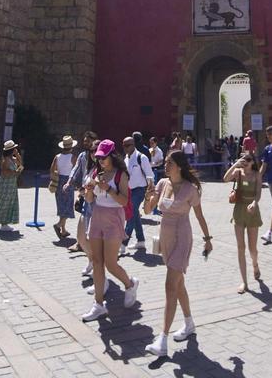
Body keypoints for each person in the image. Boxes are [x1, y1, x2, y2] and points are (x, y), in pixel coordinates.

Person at [143, 150, 212, 358]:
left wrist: (208, 239)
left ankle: (163, 339)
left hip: (182, 236)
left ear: (179, 166)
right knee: (178, 284)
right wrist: (148, 197)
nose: (165, 165)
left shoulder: (191, 189)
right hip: (166, 237)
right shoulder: (162, 183)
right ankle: (189, 323)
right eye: (165, 162)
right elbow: (147, 210)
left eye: (169, 163)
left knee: (170, 285)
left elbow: (199, 216)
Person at [81, 140, 140, 322]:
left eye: (103, 157)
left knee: (110, 263)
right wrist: (88, 190)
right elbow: (90, 199)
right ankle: (98, 304)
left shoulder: (121, 174)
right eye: (98, 157)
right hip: (97, 215)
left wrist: (108, 188)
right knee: (97, 261)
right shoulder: (96, 173)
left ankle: (130, 284)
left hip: (114, 217)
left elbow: (123, 201)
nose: (100, 161)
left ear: (112, 156)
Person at [225, 151, 264, 292]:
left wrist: (255, 203)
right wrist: (235, 164)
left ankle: (255, 264)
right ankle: (244, 282)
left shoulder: (257, 174)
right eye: (243, 159)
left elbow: (258, 193)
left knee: (252, 248)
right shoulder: (238, 172)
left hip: (252, 211)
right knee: (240, 247)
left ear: (253, 162)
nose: (245, 162)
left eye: (248, 159)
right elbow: (225, 178)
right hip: (239, 210)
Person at [121, 136, 155, 255]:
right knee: (134, 214)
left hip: (140, 190)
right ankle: (141, 241)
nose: (126, 148)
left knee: (131, 214)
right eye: (124, 146)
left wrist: (150, 192)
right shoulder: (125, 158)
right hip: (128, 191)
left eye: (128, 145)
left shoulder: (142, 157)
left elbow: (150, 175)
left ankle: (123, 244)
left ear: (133, 145)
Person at [67, 133, 98, 257]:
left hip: (95, 193)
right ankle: (80, 243)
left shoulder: (100, 158)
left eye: (88, 141)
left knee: (91, 220)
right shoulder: (82, 155)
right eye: (84, 141)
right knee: (84, 218)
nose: (85, 143)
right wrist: (70, 181)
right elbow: (76, 169)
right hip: (85, 190)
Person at [0, 140, 23, 233]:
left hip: (12, 184)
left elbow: (20, 163)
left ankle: (4, 224)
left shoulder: (12, 158)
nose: (15, 149)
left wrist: (17, 155)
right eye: (14, 149)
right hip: (5, 185)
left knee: (10, 204)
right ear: (11, 150)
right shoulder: (5, 160)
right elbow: (4, 172)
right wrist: (15, 172)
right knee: (2, 204)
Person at [50, 135, 77, 240]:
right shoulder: (73, 157)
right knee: (68, 206)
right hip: (68, 182)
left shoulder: (57, 156)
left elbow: (52, 170)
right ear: (71, 146)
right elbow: (75, 170)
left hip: (59, 182)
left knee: (62, 206)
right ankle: (58, 225)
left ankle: (63, 230)